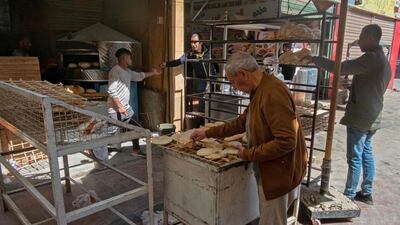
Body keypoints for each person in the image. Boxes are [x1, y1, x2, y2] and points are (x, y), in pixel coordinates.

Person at [191, 52, 308, 225]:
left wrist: (248, 154)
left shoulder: (272, 93)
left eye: (232, 81)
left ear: (244, 74)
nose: (234, 87)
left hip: (279, 173)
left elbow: (287, 141)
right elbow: (241, 122)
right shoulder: (259, 89)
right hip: (272, 169)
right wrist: (207, 133)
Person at [304, 24, 391, 205]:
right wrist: (354, 87)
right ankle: (366, 192)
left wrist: (315, 59)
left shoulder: (370, 58)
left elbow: (341, 68)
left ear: (371, 38)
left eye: (362, 36)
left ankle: (349, 195)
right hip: (373, 115)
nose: (358, 40)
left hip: (361, 117)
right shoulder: (382, 59)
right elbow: (373, 85)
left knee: (355, 156)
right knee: (366, 153)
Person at [107, 48, 161, 154]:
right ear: (124, 58)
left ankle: (136, 150)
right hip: (115, 110)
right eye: (129, 57)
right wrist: (119, 107)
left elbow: (139, 76)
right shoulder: (115, 71)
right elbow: (111, 90)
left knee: (136, 128)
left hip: (125, 108)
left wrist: (153, 73)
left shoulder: (127, 71)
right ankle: (95, 148)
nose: (131, 60)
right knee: (110, 133)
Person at [160, 33, 218, 113]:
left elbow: (216, 62)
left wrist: (217, 73)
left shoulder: (208, 51)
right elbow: (179, 61)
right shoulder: (189, 54)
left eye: (195, 42)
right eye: (191, 42)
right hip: (201, 79)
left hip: (212, 77)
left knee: (213, 98)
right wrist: (166, 64)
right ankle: (202, 119)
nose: (193, 44)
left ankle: (212, 115)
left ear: (201, 42)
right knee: (202, 99)